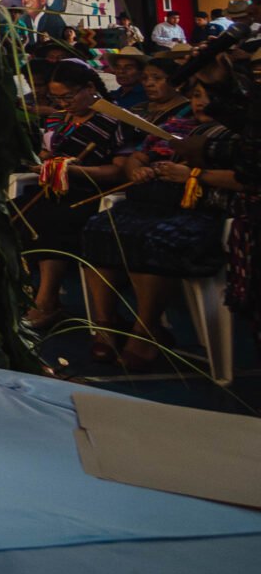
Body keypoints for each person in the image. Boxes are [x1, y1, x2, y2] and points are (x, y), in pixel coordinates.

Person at [82, 66, 225, 367]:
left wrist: (192, 175)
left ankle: (145, 330)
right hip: (149, 202)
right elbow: (137, 155)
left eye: (210, 97)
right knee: (98, 229)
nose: (201, 103)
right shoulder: (178, 124)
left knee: (151, 238)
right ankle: (106, 325)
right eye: (197, 96)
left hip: (199, 209)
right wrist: (138, 169)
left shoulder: (232, 135)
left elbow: (242, 178)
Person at [22, 59, 129, 330]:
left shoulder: (113, 120)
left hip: (92, 193)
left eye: (68, 96)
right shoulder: (58, 119)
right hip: (54, 188)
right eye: (56, 98)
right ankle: (29, 293)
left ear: (90, 88)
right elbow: (46, 152)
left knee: (52, 219)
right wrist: (45, 160)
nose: (62, 103)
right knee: (15, 211)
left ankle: (47, 301)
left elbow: (118, 172)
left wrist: (75, 170)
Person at [105, 47, 149, 111]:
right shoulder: (113, 95)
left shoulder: (147, 95)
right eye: (118, 67)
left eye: (128, 68)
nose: (121, 71)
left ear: (141, 71)